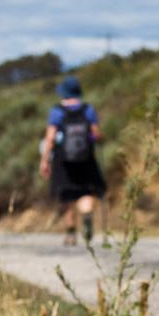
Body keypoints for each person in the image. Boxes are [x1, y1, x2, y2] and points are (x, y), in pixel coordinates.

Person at [39, 75, 106, 245]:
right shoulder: (88, 109)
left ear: (63, 93)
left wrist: (45, 160)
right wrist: (98, 139)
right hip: (86, 158)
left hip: (63, 160)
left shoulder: (57, 112)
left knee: (66, 195)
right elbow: (96, 134)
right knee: (85, 191)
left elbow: (50, 138)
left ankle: (70, 233)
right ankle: (86, 215)